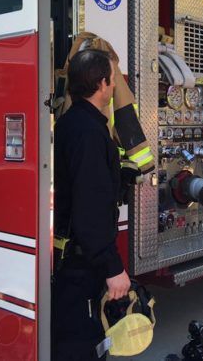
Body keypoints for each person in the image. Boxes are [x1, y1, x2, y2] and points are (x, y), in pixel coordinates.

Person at [52, 49, 131, 360]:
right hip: (82, 265)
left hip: (69, 257)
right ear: (102, 84)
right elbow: (90, 209)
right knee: (83, 345)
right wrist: (113, 268)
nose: (114, 88)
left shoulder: (72, 123)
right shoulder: (89, 132)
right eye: (112, 82)